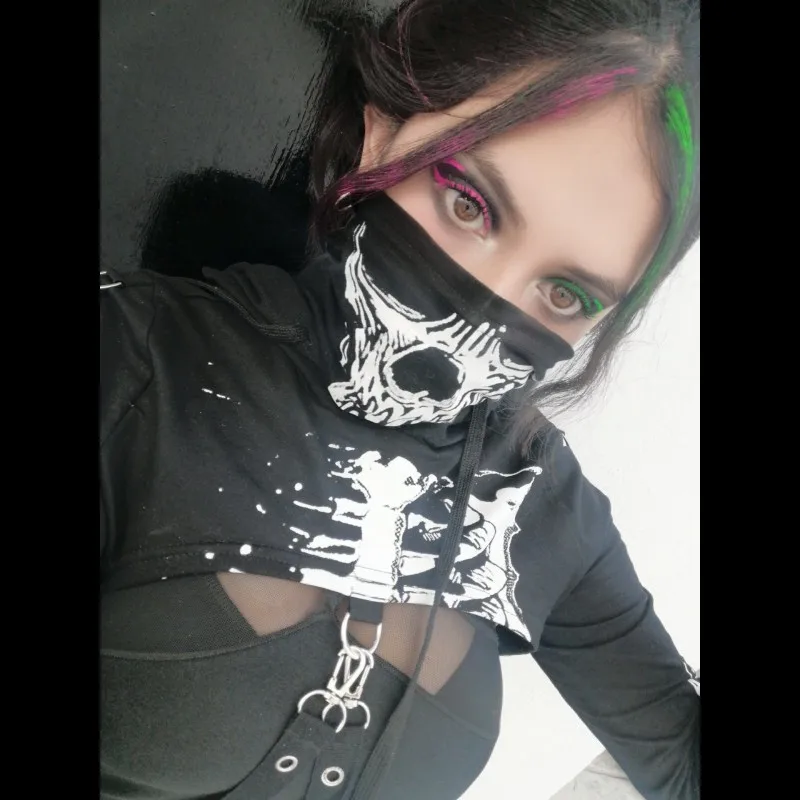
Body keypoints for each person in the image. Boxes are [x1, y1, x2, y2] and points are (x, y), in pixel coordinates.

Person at [99, 1, 700, 799]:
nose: (483, 311)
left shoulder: (543, 502)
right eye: (468, 204)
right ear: (382, 131)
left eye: (565, 294)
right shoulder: (137, 361)